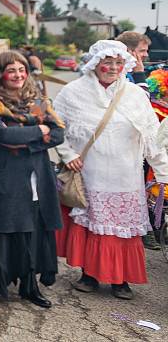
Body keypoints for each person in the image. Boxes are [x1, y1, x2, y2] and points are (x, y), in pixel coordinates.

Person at [54, 40, 168, 299]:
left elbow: (152, 137)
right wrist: (68, 154)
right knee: (92, 226)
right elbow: (55, 126)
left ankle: (121, 280)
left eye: (119, 63)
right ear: (96, 63)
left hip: (126, 175)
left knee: (123, 229)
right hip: (90, 175)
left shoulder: (135, 95)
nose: (113, 68)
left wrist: (164, 173)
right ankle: (89, 275)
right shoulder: (73, 92)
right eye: (108, 62)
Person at [0, 50, 65, 308]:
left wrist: (27, 140)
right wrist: (39, 131)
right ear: (0, 74)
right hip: (4, 177)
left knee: (32, 228)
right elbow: (3, 137)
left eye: (21, 70)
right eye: (12, 70)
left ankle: (29, 286)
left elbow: (58, 134)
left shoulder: (38, 102)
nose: (18, 75)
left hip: (36, 175)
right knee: (3, 227)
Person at [116, 31, 161, 250]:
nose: (146, 55)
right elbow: (141, 101)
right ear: (131, 51)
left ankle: (148, 227)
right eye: (142, 51)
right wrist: (140, 73)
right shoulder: (121, 73)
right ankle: (141, 229)